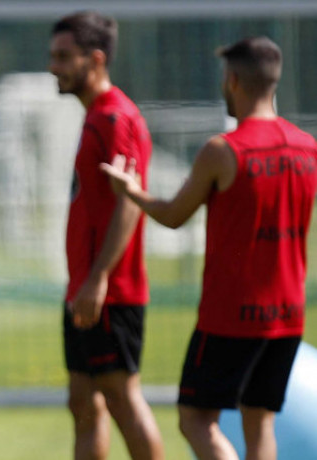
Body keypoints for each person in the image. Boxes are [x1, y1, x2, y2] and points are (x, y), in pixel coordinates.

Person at [101, 36, 317, 460]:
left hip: (230, 316)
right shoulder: (308, 148)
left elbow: (173, 214)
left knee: (196, 419)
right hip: (287, 314)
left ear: (233, 80)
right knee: (260, 422)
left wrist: (131, 191)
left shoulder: (223, 150)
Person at [48, 11, 165, 460]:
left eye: (63, 56)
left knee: (120, 396)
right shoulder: (96, 115)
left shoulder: (117, 117)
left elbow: (130, 202)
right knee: (83, 401)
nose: (53, 66)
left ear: (95, 59)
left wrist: (98, 279)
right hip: (85, 287)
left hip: (110, 290)